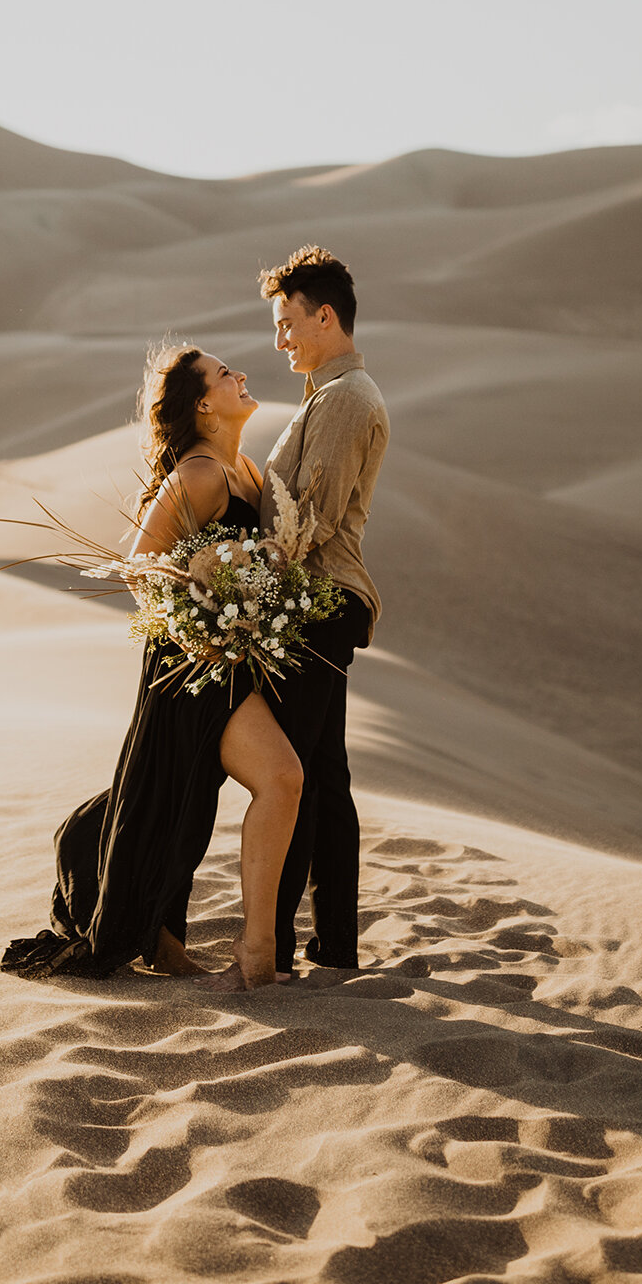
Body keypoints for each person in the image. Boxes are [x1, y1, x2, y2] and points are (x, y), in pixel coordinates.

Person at [1, 344, 306, 990]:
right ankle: (257, 951)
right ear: (202, 404)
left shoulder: (247, 471)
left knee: (180, 802)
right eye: (226, 375)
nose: (241, 375)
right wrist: (204, 618)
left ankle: (167, 942)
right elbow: (140, 570)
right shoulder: (197, 475)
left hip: (232, 660)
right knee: (279, 777)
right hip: (191, 666)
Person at [255, 247, 388, 979]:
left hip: (319, 600)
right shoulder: (332, 394)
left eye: (286, 322)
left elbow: (310, 519)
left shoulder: (342, 399)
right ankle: (334, 940)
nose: (279, 339)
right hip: (321, 600)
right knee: (325, 775)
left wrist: (245, 576)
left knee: (293, 772)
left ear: (324, 315)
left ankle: (271, 942)